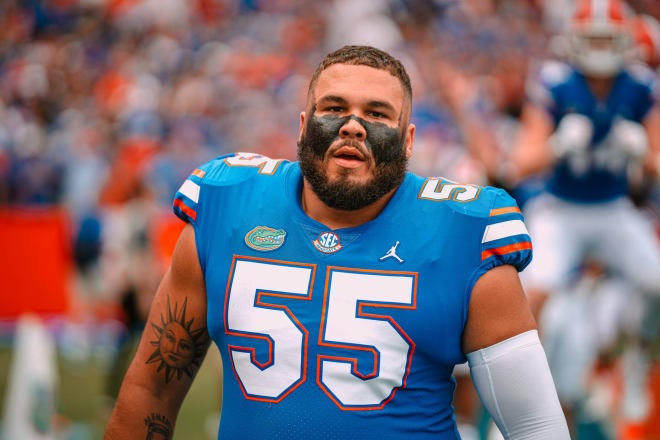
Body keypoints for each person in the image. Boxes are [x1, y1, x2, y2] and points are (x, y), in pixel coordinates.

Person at [104, 45, 569, 439]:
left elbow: (536, 429)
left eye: (376, 113)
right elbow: (153, 389)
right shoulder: (228, 206)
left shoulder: (464, 233)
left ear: (408, 142)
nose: (352, 126)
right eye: (334, 108)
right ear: (304, 125)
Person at [508, 0, 660, 428]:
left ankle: (636, 357)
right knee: (536, 293)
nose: (598, 48)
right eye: (591, 38)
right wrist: (556, 146)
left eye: (605, 39)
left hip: (612, 208)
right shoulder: (555, 83)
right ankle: (520, 395)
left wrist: (644, 155)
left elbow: (658, 160)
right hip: (561, 208)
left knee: (656, 283)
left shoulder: (641, 85)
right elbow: (519, 160)